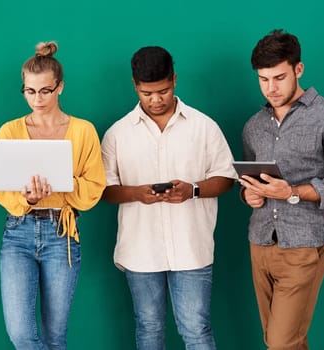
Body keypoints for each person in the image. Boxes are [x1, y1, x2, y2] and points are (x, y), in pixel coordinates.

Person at [101, 46, 236, 350]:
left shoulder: (204, 126)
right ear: (135, 85)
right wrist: (137, 193)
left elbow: (227, 178)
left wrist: (193, 190)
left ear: (174, 79)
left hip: (192, 247)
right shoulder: (117, 134)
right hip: (140, 249)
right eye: (147, 93)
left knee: (196, 329)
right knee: (148, 327)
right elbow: (105, 190)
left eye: (163, 90)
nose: (156, 99)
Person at [239, 29, 324, 349]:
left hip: (306, 243)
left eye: (279, 77)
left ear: (299, 69)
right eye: (263, 79)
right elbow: (251, 182)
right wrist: (249, 195)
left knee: (281, 343)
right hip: (261, 242)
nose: (271, 88)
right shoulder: (254, 125)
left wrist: (292, 191)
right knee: (282, 341)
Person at [0, 41, 106, 350]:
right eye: (30, 91)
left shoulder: (83, 131)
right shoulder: (10, 131)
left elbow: (93, 188)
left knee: (56, 336)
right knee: (21, 333)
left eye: (45, 90)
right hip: (18, 232)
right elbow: (3, 191)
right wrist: (29, 199)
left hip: (62, 233)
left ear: (60, 87)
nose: (37, 98)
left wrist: (61, 183)